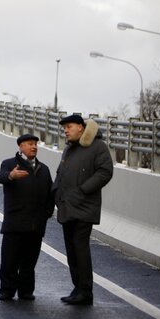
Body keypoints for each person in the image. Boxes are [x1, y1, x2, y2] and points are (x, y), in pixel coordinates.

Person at [53, 114, 114, 306]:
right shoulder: (69, 149)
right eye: (64, 128)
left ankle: (85, 290)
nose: (66, 130)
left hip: (84, 207)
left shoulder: (97, 147)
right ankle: (77, 288)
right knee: (71, 251)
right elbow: (60, 174)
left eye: (69, 126)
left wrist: (83, 190)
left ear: (81, 127)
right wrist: (55, 195)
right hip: (66, 206)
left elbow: (105, 172)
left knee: (80, 248)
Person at [0, 133, 54, 302]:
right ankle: (7, 290)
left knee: (29, 261)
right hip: (15, 222)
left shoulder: (43, 169)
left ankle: (26, 291)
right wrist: (11, 176)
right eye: (29, 144)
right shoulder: (10, 164)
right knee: (9, 260)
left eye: (35, 144)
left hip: (36, 224)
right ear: (21, 147)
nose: (34, 146)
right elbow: (1, 177)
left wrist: (48, 212)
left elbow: (51, 192)